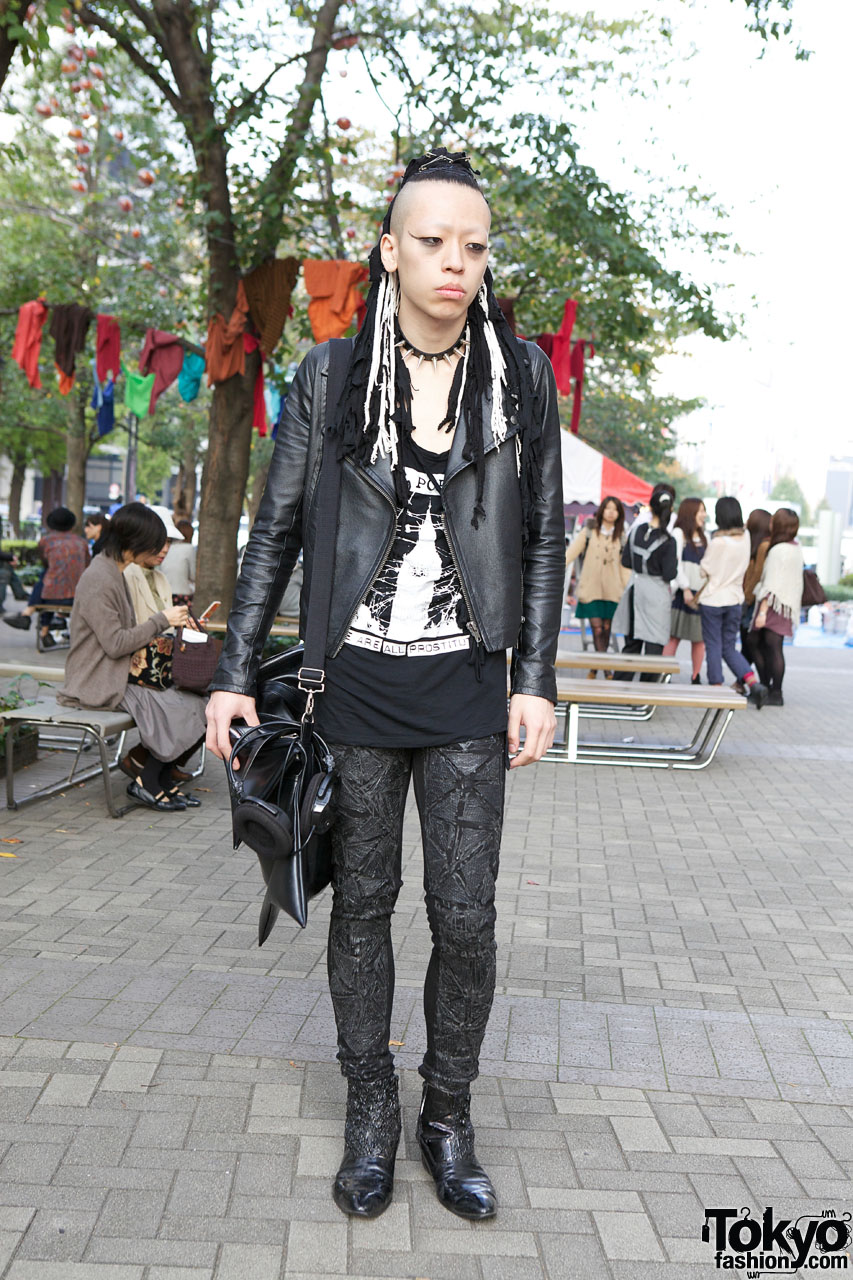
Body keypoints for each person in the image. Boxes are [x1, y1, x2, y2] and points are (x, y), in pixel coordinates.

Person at [205, 149, 564, 1224]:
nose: (456, 262)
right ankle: (370, 1107)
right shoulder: (329, 373)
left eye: (474, 244)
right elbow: (274, 530)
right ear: (389, 248)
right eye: (433, 240)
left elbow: (544, 534)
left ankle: (444, 1114)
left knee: (467, 918)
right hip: (349, 682)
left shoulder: (521, 373)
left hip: (465, 682)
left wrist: (534, 677)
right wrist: (232, 678)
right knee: (360, 907)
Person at [57, 503, 208, 810]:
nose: (159, 550)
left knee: (199, 702)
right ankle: (148, 782)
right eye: (156, 543)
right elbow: (115, 643)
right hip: (97, 680)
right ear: (134, 541)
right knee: (181, 706)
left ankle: (160, 780)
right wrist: (162, 620)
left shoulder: (113, 570)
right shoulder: (100, 577)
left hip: (117, 673)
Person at [697, 496, 767, 707]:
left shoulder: (718, 542)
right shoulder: (745, 537)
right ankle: (753, 683)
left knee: (713, 646)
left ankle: (716, 688)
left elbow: (704, 570)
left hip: (713, 600)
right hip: (735, 599)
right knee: (729, 647)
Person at [612, 483, 678, 680]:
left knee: (631, 645)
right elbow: (669, 574)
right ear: (670, 509)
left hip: (635, 590)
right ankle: (645, 697)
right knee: (653, 649)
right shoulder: (668, 540)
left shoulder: (637, 531)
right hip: (656, 595)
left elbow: (625, 561)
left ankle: (621, 691)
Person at [3, 506, 89, 647]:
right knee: (50, 578)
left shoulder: (46, 541)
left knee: (47, 577)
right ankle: (43, 632)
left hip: (50, 596)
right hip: (77, 597)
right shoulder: (82, 543)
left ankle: (29, 616)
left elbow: (45, 563)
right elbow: (87, 565)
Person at [564, 496, 629, 675]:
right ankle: (606, 669)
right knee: (597, 627)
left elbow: (625, 566)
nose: (610, 512)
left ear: (619, 513)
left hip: (613, 589)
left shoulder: (622, 535)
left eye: (614, 509)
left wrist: (626, 588)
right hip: (591, 588)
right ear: (602, 510)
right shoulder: (589, 531)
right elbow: (571, 553)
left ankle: (595, 667)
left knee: (607, 628)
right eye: (607, 508)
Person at [748, 507, 803, 705]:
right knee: (771, 647)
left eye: (774, 520)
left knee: (758, 643)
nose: (770, 523)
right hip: (785, 604)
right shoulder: (795, 547)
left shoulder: (778, 550)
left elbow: (770, 583)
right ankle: (771, 690)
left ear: (778, 525)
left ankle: (772, 690)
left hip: (772, 605)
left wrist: (762, 611)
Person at [663, 497, 708, 683]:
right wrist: (686, 588)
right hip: (683, 594)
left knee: (699, 638)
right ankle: (664, 674)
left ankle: (696, 676)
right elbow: (676, 564)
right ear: (691, 513)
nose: (704, 515)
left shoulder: (706, 536)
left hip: (701, 595)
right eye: (701, 511)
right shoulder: (679, 534)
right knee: (674, 636)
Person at [741, 507, 771, 670]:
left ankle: (753, 682)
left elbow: (757, 575)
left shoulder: (763, 546)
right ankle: (745, 681)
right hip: (751, 600)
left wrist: (746, 598)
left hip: (753, 601)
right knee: (749, 645)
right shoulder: (756, 545)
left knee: (750, 644)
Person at [154, 508, 197, 606]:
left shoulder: (168, 548)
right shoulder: (189, 549)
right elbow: (193, 575)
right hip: (183, 592)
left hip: (165, 591)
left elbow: (159, 569)